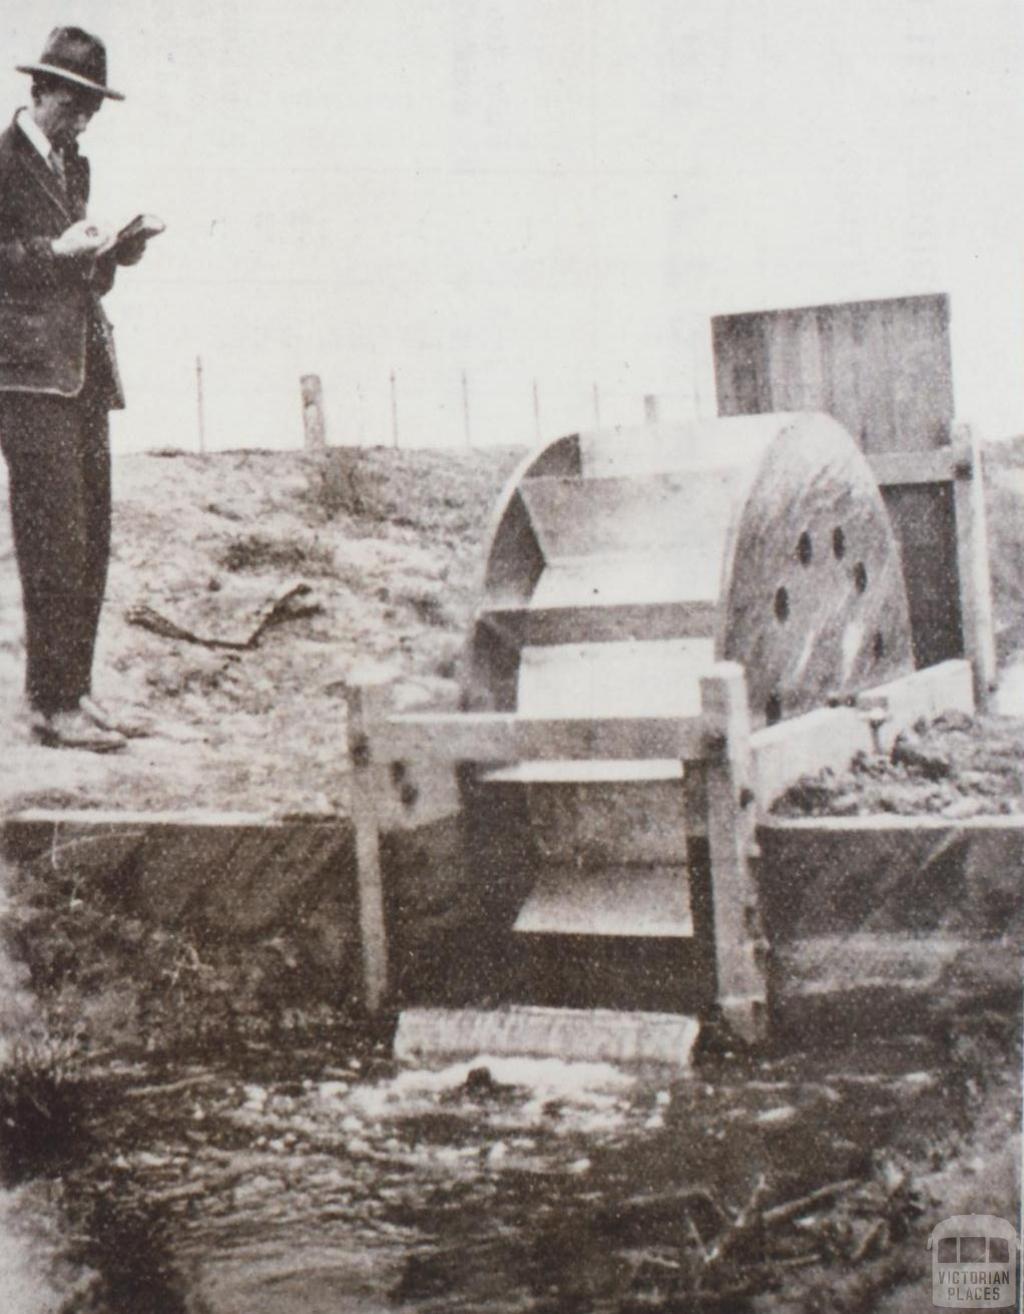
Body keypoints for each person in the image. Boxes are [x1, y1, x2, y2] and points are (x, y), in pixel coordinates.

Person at [0, 27, 152, 752]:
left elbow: (76, 274)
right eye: (78, 102)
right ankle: (47, 703)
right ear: (43, 92)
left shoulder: (72, 165)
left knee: (91, 536)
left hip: (82, 370)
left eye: (94, 105)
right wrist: (53, 252)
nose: (86, 117)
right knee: (52, 539)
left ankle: (76, 692)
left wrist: (111, 256)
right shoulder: (1, 163)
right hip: (26, 378)